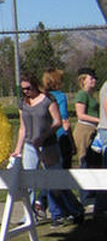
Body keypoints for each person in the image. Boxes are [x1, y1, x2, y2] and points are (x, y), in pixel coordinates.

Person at [11, 72, 64, 223]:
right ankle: (29, 214)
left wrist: (43, 137)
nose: (26, 91)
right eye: (23, 89)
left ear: (34, 85)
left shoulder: (48, 100)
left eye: (28, 88)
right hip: (29, 146)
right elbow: (22, 128)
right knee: (28, 181)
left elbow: (57, 122)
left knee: (52, 179)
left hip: (48, 145)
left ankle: (58, 214)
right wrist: (18, 149)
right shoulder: (23, 103)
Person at [42, 67, 84, 221]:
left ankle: (56, 212)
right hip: (60, 138)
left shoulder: (41, 97)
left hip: (46, 140)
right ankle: (72, 209)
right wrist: (71, 142)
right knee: (63, 177)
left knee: (51, 176)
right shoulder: (59, 97)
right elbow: (65, 121)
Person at [73, 68, 102, 217]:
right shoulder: (81, 95)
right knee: (84, 161)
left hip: (94, 130)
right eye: (91, 78)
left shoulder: (92, 96)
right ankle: (85, 196)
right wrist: (100, 120)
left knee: (93, 161)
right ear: (83, 80)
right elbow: (81, 114)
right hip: (84, 130)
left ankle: (95, 193)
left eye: (94, 79)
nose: (94, 81)